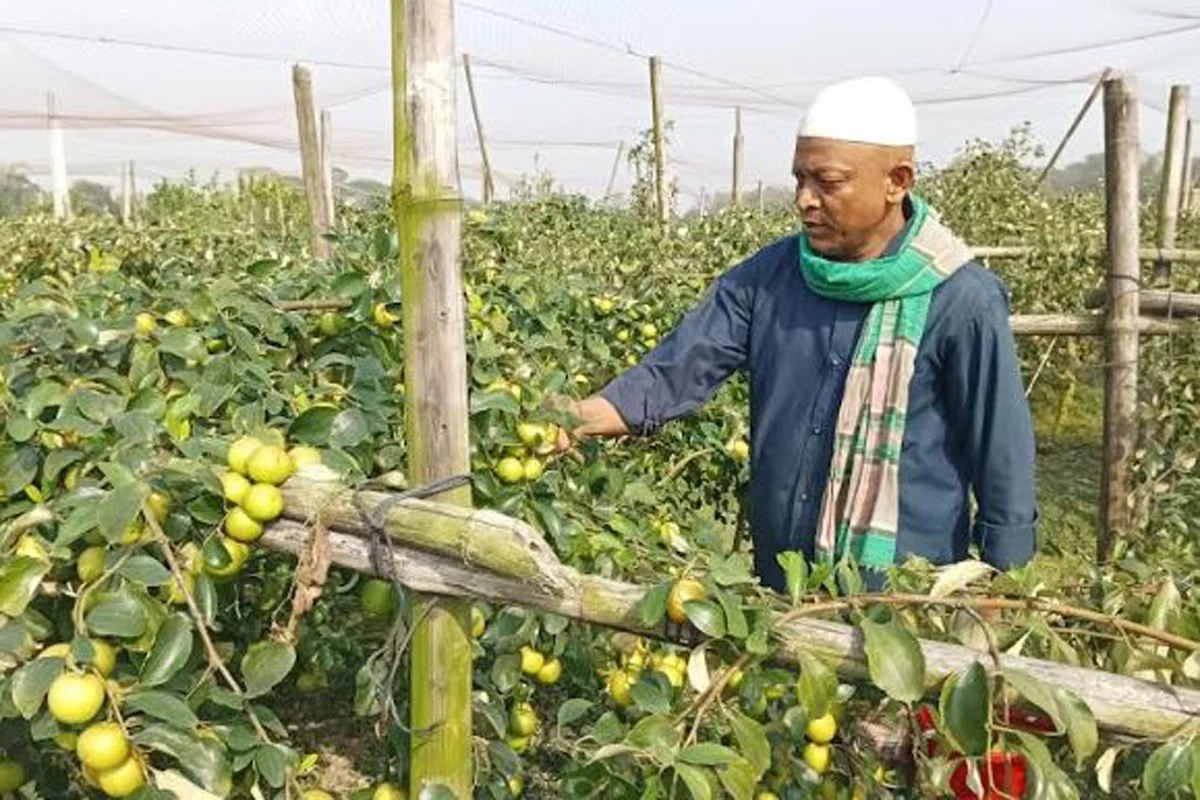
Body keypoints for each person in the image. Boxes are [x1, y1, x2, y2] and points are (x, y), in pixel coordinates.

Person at [555, 76, 1037, 591]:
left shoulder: (960, 299)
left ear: (896, 181)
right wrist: (569, 420)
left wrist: (1003, 586)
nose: (805, 200)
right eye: (800, 179)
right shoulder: (768, 278)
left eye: (827, 183)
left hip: (904, 597)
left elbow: (1000, 454)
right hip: (783, 587)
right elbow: (675, 373)